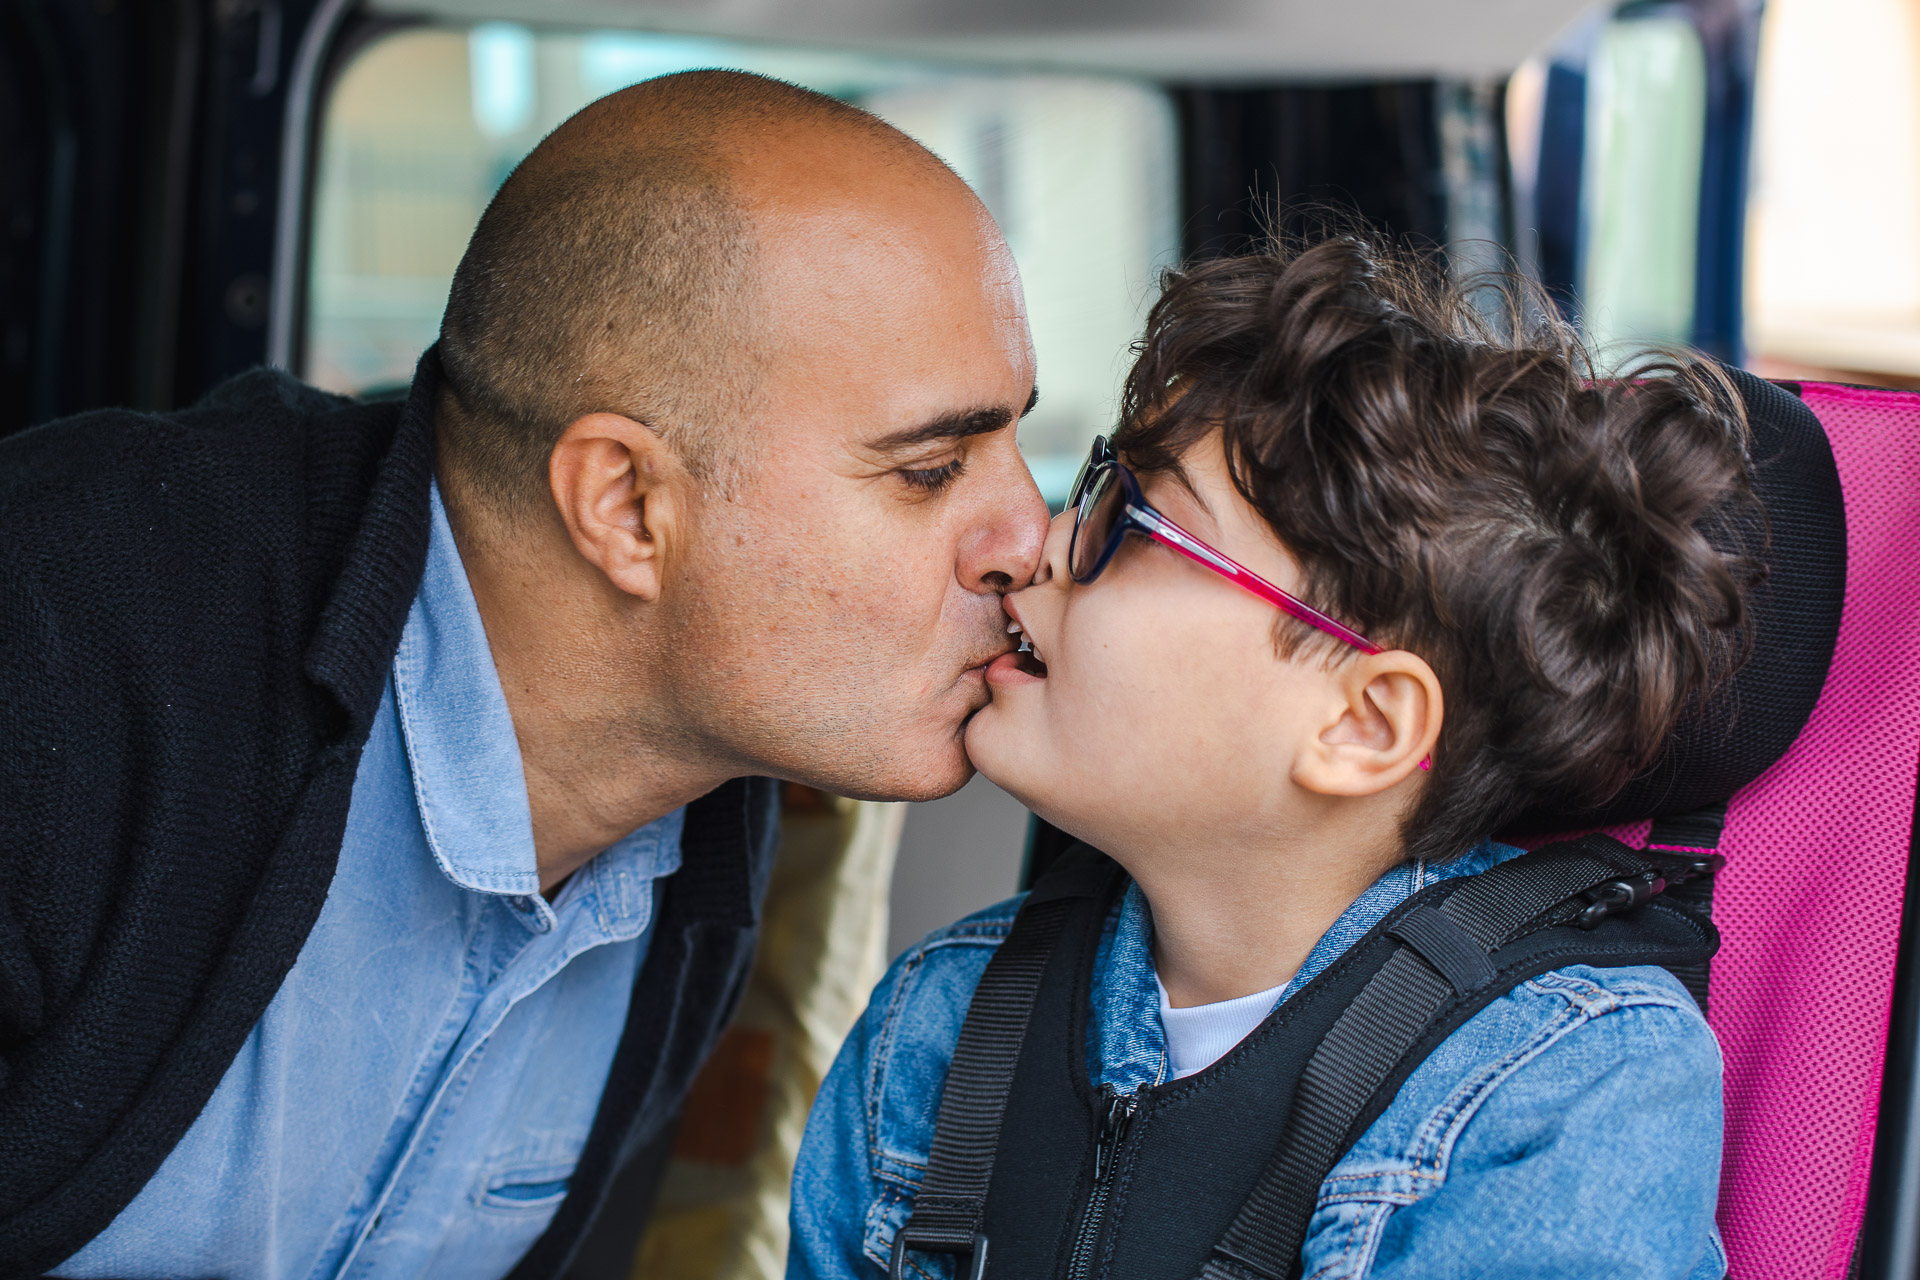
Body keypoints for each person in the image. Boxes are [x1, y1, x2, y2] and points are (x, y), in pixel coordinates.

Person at [0, 71, 1047, 1280]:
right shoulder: (52, 651)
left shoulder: (711, 803)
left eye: (1022, 440)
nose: (1033, 536)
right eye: (931, 469)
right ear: (627, 506)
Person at [787, 236, 1756, 1279]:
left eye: (1137, 525)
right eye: (1099, 484)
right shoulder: (937, 1023)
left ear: (1362, 725)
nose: (1043, 542)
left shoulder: (1565, 1081)